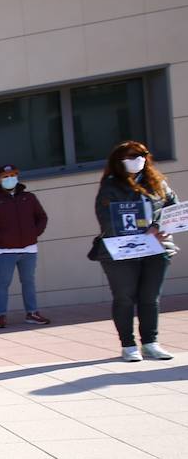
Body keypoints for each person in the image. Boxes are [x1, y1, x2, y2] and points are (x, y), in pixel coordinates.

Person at [93, 141, 178, 361]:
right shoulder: (110, 186)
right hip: (121, 251)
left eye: (141, 155)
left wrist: (160, 226)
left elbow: (173, 208)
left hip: (157, 249)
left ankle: (151, 343)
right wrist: (140, 230)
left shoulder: (157, 182)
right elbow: (107, 220)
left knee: (150, 298)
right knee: (124, 298)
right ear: (119, 161)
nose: (137, 160)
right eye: (131, 156)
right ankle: (128, 345)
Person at [0, 164, 52, 328]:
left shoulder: (29, 198)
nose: (10, 179)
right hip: (4, 251)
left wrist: (34, 233)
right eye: (6, 176)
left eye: (13, 175)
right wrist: (0, 237)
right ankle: (0, 315)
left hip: (28, 249)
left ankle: (32, 313)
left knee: (28, 282)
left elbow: (42, 217)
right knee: (3, 283)